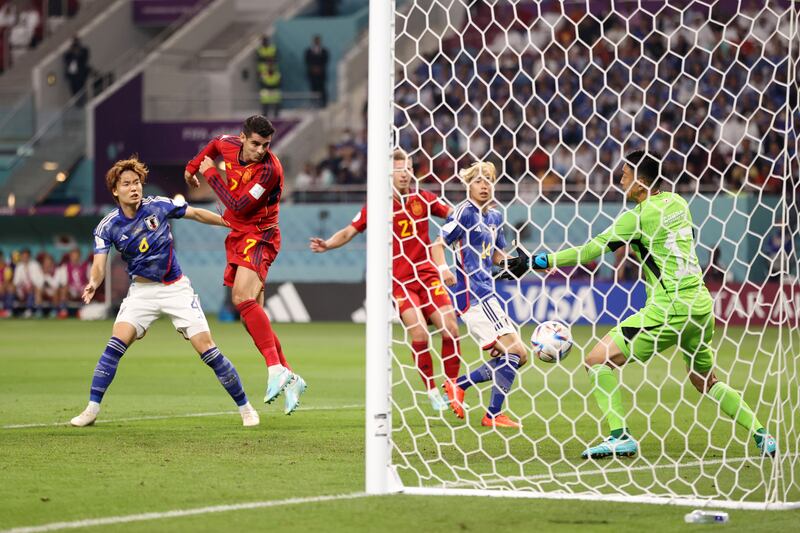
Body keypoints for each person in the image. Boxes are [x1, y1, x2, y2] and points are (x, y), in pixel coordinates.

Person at [504, 150, 777, 457]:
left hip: (669, 309)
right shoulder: (678, 203)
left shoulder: (636, 218)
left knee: (596, 360)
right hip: (701, 307)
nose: (620, 179)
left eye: (624, 174)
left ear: (639, 179)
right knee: (706, 381)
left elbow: (590, 250)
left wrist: (534, 261)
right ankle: (761, 434)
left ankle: (620, 435)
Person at [70, 156, 260, 428]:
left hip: (176, 289)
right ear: (115, 190)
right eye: (127, 184)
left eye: (137, 182)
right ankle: (91, 409)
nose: (134, 188)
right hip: (141, 293)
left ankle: (246, 408)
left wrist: (227, 222)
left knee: (207, 349)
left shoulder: (158, 205)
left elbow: (194, 213)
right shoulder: (107, 226)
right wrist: (93, 282)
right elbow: (99, 265)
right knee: (114, 345)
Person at [310, 148, 461, 413]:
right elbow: (349, 231)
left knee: (450, 327)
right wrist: (328, 245)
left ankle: (453, 386)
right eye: (399, 170)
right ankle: (432, 390)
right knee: (420, 333)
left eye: (408, 169)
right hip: (400, 280)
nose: (404, 174)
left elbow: (455, 216)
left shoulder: (424, 198)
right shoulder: (379, 205)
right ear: (389, 173)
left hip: (426, 274)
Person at [184, 115, 307, 415]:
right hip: (240, 234)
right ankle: (290, 377)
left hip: (261, 235)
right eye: (256, 144)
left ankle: (275, 368)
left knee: (241, 298)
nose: (261, 150)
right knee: (250, 313)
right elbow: (214, 144)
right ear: (242, 138)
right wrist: (192, 166)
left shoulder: (269, 171)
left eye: (266, 145)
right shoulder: (227, 144)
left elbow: (238, 205)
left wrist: (210, 174)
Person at [431, 161, 528, 429]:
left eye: (488, 180)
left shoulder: (495, 216)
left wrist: (518, 263)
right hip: (472, 294)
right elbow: (438, 244)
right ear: (468, 184)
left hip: (489, 293)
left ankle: (463, 387)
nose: (484, 185)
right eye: (478, 180)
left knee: (519, 355)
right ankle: (489, 411)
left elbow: (497, 255)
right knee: (514, 353)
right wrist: (443, 269)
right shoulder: (464, 213)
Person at [12, 248, 43, 318]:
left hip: (35, 288)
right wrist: (21, 287)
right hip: (22, 289)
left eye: (26, 256)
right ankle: (9, 310)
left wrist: (35, 285)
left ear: (29, 257)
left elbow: (40, 279)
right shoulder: (19, 266)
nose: (25, 258)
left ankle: (35, 311)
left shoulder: (35, 265)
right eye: (23, 256)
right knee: (11, 288)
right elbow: (16, 281)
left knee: (34, 289)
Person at [304, 35, 329, 107]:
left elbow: (325, 61)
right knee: (313, 88)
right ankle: (314, 103)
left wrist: (319, 68)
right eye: (315, 41)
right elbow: (307, 61)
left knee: (322, 88)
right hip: (312, 74)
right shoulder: (308, 51)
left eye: (318, 40)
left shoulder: (324, 51)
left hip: (321, 74)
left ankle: (324, 103)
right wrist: (313, 68)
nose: (316, 42)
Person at [39, 253, 66, 318]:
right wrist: (43, 274)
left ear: (52, 263)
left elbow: (55, 285)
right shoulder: (40, 270)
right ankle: (38, 310)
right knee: (38, 289)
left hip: (55, 291)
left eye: (49, 262)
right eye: (45, 263)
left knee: (56, 290)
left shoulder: (57, 270)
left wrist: (47, 276)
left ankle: (54, 310)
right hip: (44, 291)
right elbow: (39, 283)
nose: (47, 264)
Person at [63, 36, 90, 100]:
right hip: (73, 77)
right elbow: (66, 60)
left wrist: (77, 54)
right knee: (74, 91)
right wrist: (73, 53)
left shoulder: (83, 51)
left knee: (81, 90)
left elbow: (85, 58)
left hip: (81, 75)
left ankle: (83, 100)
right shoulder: (69, 54)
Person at [0, 250, 14, 318]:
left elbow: (7, 280)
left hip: (3, 286)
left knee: (10, 288)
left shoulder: (7, 267)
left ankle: (8, 310)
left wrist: (2, 285)